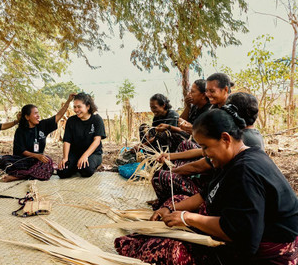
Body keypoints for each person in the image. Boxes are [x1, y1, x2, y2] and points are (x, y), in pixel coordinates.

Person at [115, 108, 298, 264]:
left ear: (225, 139)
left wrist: (188, 219)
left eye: (205, 147)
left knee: (168, 250)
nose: (203, 153)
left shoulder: (244, 172)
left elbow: (243, 237)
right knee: (178, 201)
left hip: (267, 251)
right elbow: (204, 195)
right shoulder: (234, 160)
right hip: (240, 228)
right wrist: (169, 208)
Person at [150, 93, 265, 209]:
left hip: (215, 196)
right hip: (212, 190)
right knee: (185, 146)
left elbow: (200, 168)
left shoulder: (241, 144)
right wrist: (171, 156)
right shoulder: (240, 137)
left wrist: (173, 172)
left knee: (162, 180)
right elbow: (201, 153)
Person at [0, 94, 75, 182]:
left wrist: (68, 101)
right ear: (27, 117)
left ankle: (19, 176)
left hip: (38, 161)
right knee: (4, 160)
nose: (38, 116)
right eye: (35, 113)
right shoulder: (20, 131)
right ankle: (29, 174)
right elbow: (21, 150)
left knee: (48, 162)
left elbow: (58, 116)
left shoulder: (42, 125)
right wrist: (36, 155)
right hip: (23, 161)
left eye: (38, 113)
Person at [58, 92, 106, 178]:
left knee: (86, 170)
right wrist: (65, 158)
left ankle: (84, 165)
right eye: (75, 107)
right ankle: (75, 165)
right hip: (75, 153)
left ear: (88, 107)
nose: (76, 110)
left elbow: (97, 141)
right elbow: (67, 141)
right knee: (62, 172)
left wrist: (85, 156)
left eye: (79, 107)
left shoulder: (96, 120)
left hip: (93, 154)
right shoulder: (71, 121)